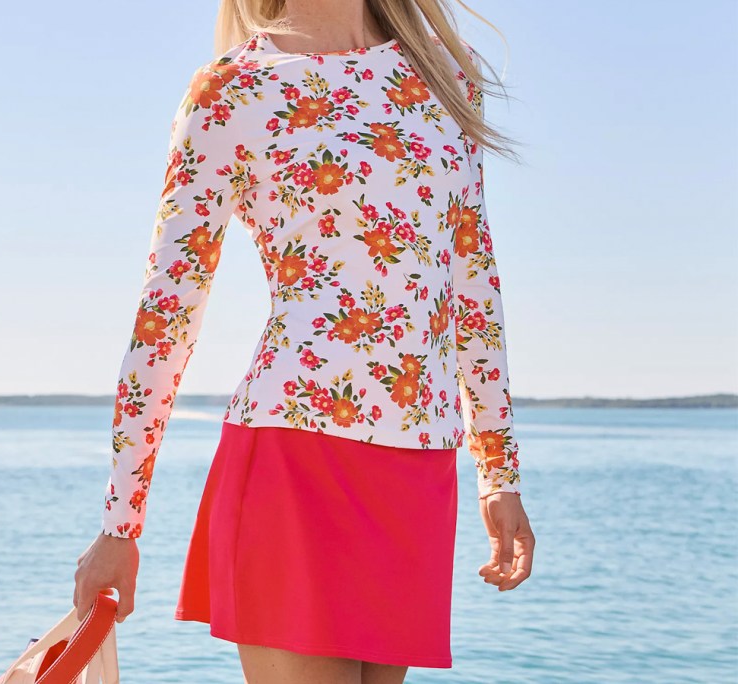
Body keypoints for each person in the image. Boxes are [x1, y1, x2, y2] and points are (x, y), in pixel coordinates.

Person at [74, 0, 535, 680]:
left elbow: (473, 288)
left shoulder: (445, 83)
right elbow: (167, 314)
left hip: (418, 468)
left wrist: (498, 475)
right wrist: (122, 523)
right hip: (292, 459)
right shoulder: (231, 91)